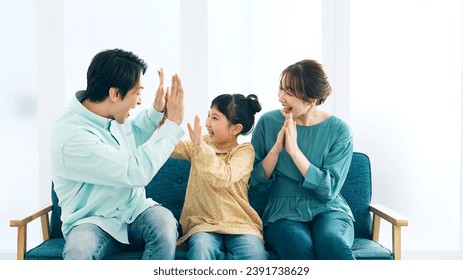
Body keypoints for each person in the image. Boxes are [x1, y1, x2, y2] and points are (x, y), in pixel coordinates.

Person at [50, 48, 185, 260]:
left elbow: (131, 133)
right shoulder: (72, 137)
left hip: (133, 211)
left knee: (165, 224)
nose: (139, 101)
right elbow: (135, 171)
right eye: (137, 93)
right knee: (79, 250)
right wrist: (172, 124)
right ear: (114, 94)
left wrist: (156, 112)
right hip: (92, 220)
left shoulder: (105, 116)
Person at [250, 59, 355, 260]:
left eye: (289, 93)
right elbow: (253, 181)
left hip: (329, 210)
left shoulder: (339, 130)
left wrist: (294, 151)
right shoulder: (268, 123)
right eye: (281, 89)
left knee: (331, 242)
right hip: (282, 213)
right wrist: (276, 150)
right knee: (297, 246)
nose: (281, 97)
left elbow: (329, 190)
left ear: (311, 99)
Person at [170, 93, 267, 260]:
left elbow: (223, 176)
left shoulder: (244, 151)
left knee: (255, 255)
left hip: (239, 223)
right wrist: (169, 121)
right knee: (200, 250)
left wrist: (200, 146)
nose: (207, 123)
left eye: (215, 118)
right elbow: (168, 147)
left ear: (236, 128)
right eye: (208, 115)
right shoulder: (200, 144)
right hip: (203, 224)